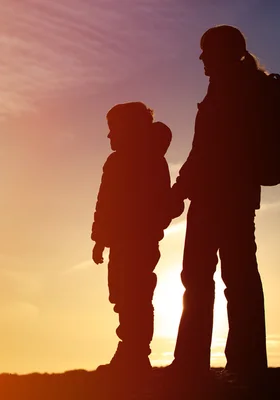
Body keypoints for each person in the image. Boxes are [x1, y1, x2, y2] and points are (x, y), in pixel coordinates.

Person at [168, 25, 280, 380]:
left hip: (227, 198)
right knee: (217, 278)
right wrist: (182, 189)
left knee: (232, 279)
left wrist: (181, 189)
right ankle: (210, 364)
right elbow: (201, 150)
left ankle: (236, 365)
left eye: (206, 50)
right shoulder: (224, 89)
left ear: (224, 51)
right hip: (217, 198)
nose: (201, 57)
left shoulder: (237, 90)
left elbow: (209, 150)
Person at [91, 102, 183, 379]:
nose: (109, 136)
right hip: (120, 242)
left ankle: (135, 354)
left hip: (140, 242)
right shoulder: (116, 161)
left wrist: (150, 226)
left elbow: (160, 202)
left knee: (136, 295)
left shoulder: (151, 159)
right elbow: (104, 203)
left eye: (113, 129)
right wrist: (100, 239)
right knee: (121, 294)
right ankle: (130, 349)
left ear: (129, 129)